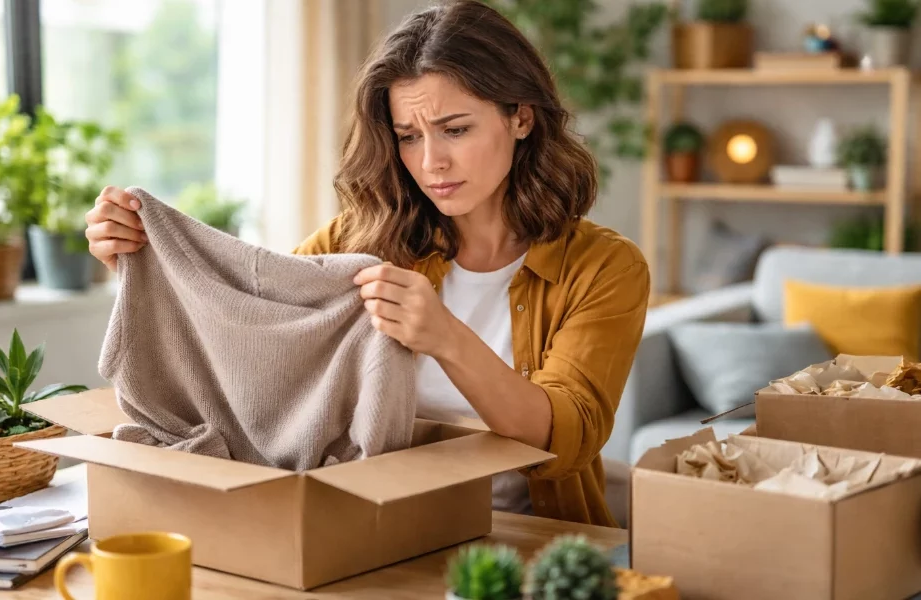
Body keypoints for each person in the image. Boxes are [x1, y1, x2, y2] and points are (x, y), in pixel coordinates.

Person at [85, 0, 649, 527]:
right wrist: (148, 263)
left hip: (527, 539)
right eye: (408, 137)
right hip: (370, 534)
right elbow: (254, 334)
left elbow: (566, 438)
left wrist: (446, 337)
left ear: (521, 118)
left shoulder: (605, 268)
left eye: (456, 129)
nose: (432, 162)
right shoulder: (359, 239)